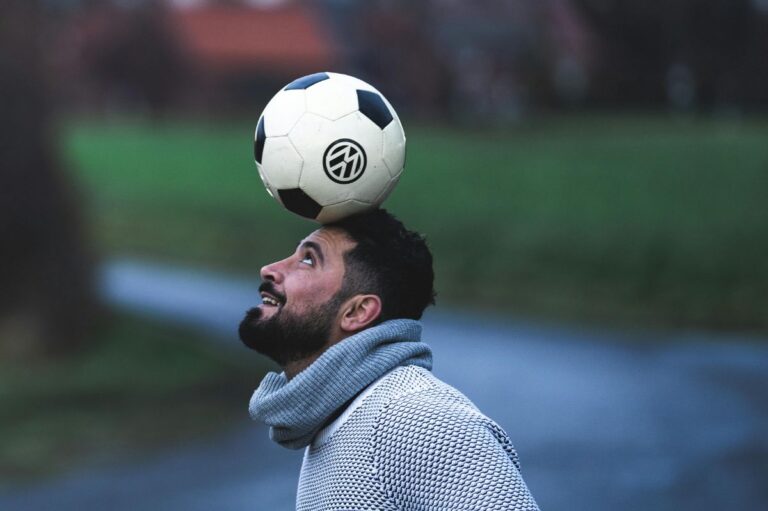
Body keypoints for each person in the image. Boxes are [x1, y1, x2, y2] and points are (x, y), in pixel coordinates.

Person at [239, 208, 539, 511]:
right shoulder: (343, 418)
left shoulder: (418, 419)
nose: (270, 269)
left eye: (308, 260)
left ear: (357, 312)